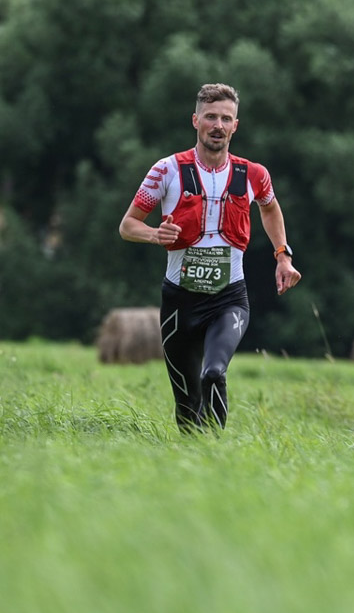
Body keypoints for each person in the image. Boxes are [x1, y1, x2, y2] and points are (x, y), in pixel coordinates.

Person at [119, 82, 301, 431]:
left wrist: (283, 255)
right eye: (211, 117)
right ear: (195, 121)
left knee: (214, 373)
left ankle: (217, 455)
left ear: (236, 126)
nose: (218, 125)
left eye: (226, 118)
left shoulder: (254, 175)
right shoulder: (166, 170)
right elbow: (127, 226)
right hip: (179, 302)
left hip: (229, 299)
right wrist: (156, 235)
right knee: (187, 409)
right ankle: (196, 463)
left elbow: (271, 208)